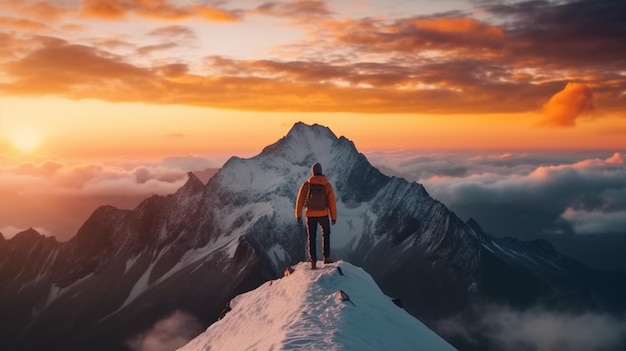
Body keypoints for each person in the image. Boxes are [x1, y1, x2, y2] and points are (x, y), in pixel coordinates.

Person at [295, 162, 337, 269]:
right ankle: (326, 258)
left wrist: (298, 214)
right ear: (321, 172)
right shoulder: (327, 185)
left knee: (311, 237)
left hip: (310, 214)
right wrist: (333, 217)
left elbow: (300, 200)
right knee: (326, 233)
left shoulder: (307, 185)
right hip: (323, 213)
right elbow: (331, 202)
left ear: (313, 172)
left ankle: (313, 262)